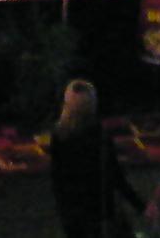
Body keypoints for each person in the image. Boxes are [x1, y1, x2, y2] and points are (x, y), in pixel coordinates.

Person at [47, 79, 140, 238]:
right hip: (98, 209)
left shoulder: (59, 134)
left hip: (72, 211)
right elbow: (114, 175)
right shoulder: (99, 134)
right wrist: (139, 204)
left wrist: (62, 209)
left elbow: (57, 176)